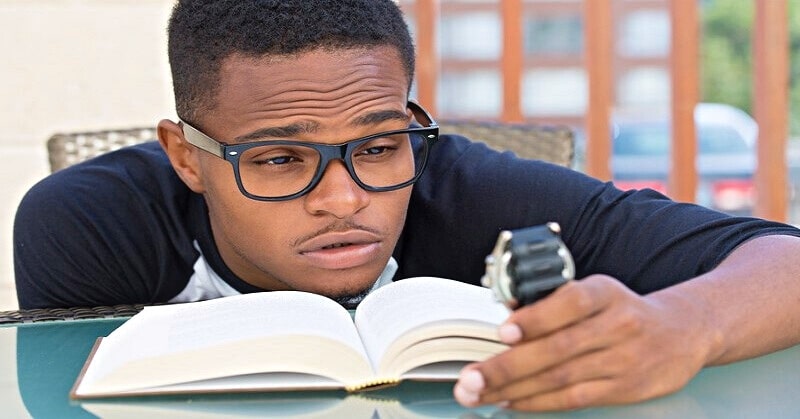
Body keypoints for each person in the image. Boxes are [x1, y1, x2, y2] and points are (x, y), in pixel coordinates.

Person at [13, 0, 800, 412]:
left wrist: (686, 327)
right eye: (282, 158)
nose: (346, 198)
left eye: (380, 144)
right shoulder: (90, 225)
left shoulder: (476, 192)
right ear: (188, 155)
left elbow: (786, 261)